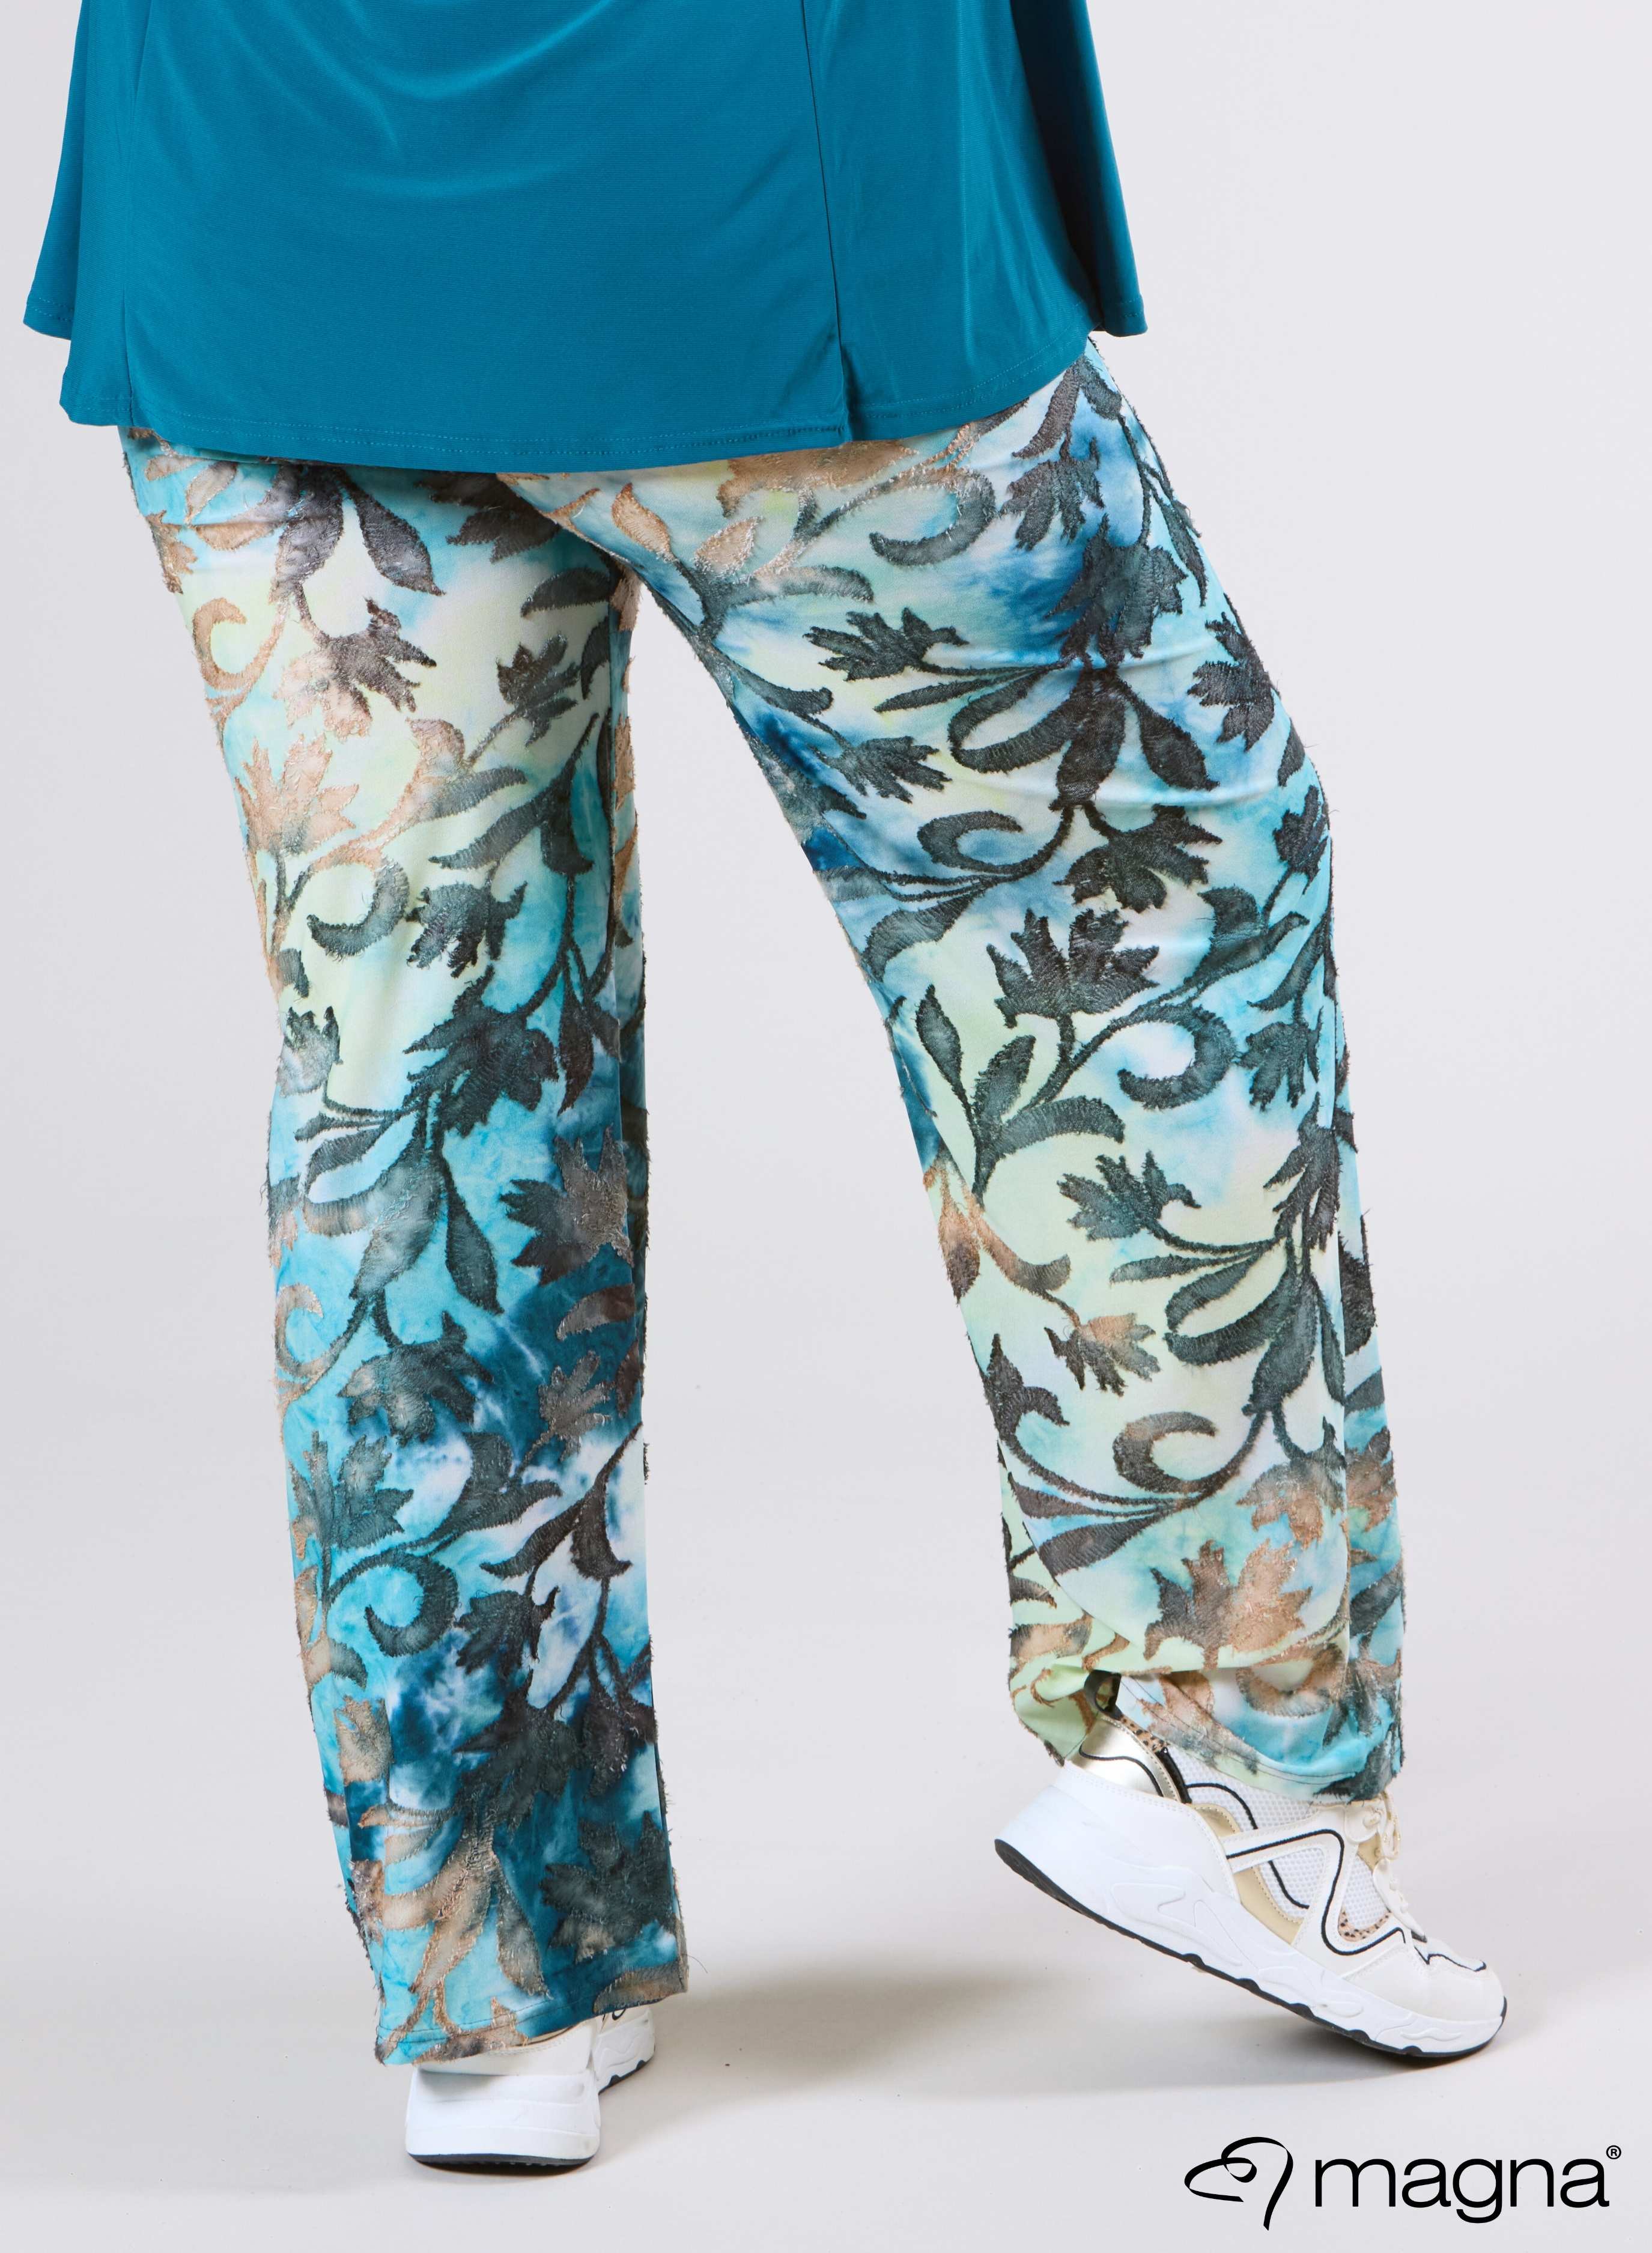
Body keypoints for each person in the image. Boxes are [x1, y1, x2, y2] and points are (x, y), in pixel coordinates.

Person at [25, 0, 1503, 2172]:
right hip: (740, 190)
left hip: (255, 201)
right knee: (1150, 882)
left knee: (421, 1078)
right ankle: (1226, 1754)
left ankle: (496, 1973)